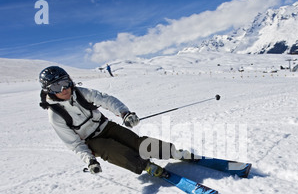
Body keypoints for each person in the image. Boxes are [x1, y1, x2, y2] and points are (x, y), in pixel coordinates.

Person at [38, 66, 190, 177]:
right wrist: (90, 161)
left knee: (137, 143)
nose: (64, 89)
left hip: (105, 126)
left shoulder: (81, 93)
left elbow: (106, 100)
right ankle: (146, 166)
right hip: (91, 141)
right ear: (48, 90)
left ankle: (172, 152)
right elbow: (74, 144)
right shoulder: (56, 116)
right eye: (56, 86)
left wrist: (124, 113)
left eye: (65, 82)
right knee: (112, 148)